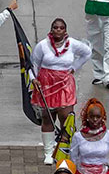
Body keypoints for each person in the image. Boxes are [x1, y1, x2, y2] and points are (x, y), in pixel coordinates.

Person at [35, 18, 94, 162]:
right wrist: (33, 79)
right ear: (51, 29)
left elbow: (87, 53)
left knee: (66, 117)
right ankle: (48, 152)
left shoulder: (73, 44)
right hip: (46, 83)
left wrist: (74, 67)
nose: (58, 30)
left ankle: (65, 149)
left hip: (65, 83)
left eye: (61, 28)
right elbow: (34, 63)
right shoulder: (42, 45)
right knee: (48, 117)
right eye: (55, 27)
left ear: (65, 31)